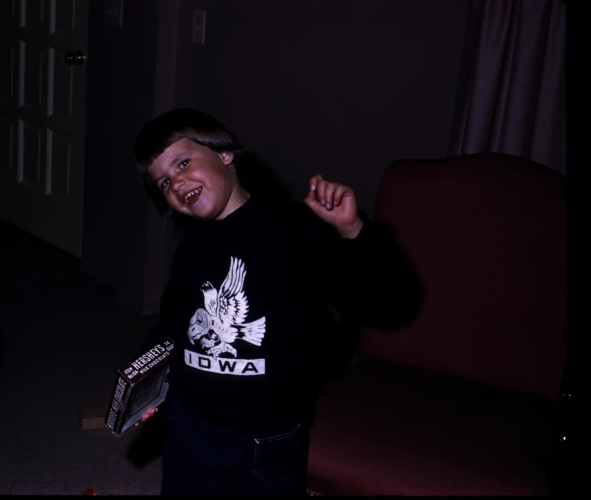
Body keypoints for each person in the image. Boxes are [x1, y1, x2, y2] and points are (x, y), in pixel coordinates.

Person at [131, 108, 419, 496]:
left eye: (183, 163)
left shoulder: (293, 228)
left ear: (225, 153)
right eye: (164, 181)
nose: (177, 182)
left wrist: (352, 231)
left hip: (264, 438)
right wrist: (148, 383)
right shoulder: (191, 250)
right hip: (189, 428)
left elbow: (388, 300)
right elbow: (172, 324)